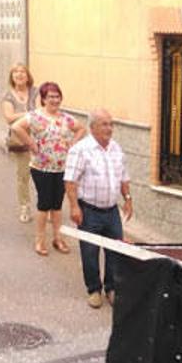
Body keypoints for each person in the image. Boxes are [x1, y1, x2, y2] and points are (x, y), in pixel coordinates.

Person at [64, 108, 132, 309]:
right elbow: (70, 181)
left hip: (111, 211)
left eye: (111, 124)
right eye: (104, 124)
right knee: (90, 251)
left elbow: (124, 176)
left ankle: (111, 288)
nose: (109, 128)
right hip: (89, 210)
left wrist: (127, 198)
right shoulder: (80, 149)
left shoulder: (116, 148)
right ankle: (94, 289)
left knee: (115, 251)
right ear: (92, 127)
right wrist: (74, 206)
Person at [13, 81, 86, 257]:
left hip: (62, 167)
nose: (54, 100)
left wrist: (73, 144)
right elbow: (16, 127)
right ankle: (39, 240)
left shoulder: (66, 118)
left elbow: (82, 128)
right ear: (43, 99)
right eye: (50, 97)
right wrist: (30, 143)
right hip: (42, 167)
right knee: (44, 204)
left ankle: (58, 238)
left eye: (57, 96)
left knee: (57, 205)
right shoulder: (35, 116)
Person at [1, 62, 35, 223]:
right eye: (16, 72)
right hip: (21, 142)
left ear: (28, 76)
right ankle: (25, 206)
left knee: (44, 175)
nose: (19, 75)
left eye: (22, 72)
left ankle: (47, 206)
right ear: (12, 77)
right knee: (23, 176)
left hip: (39, 139)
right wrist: (29, 114)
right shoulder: (8, 96)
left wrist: (20, 115)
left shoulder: (35, 93)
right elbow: (8, 117)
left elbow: (42, 111)